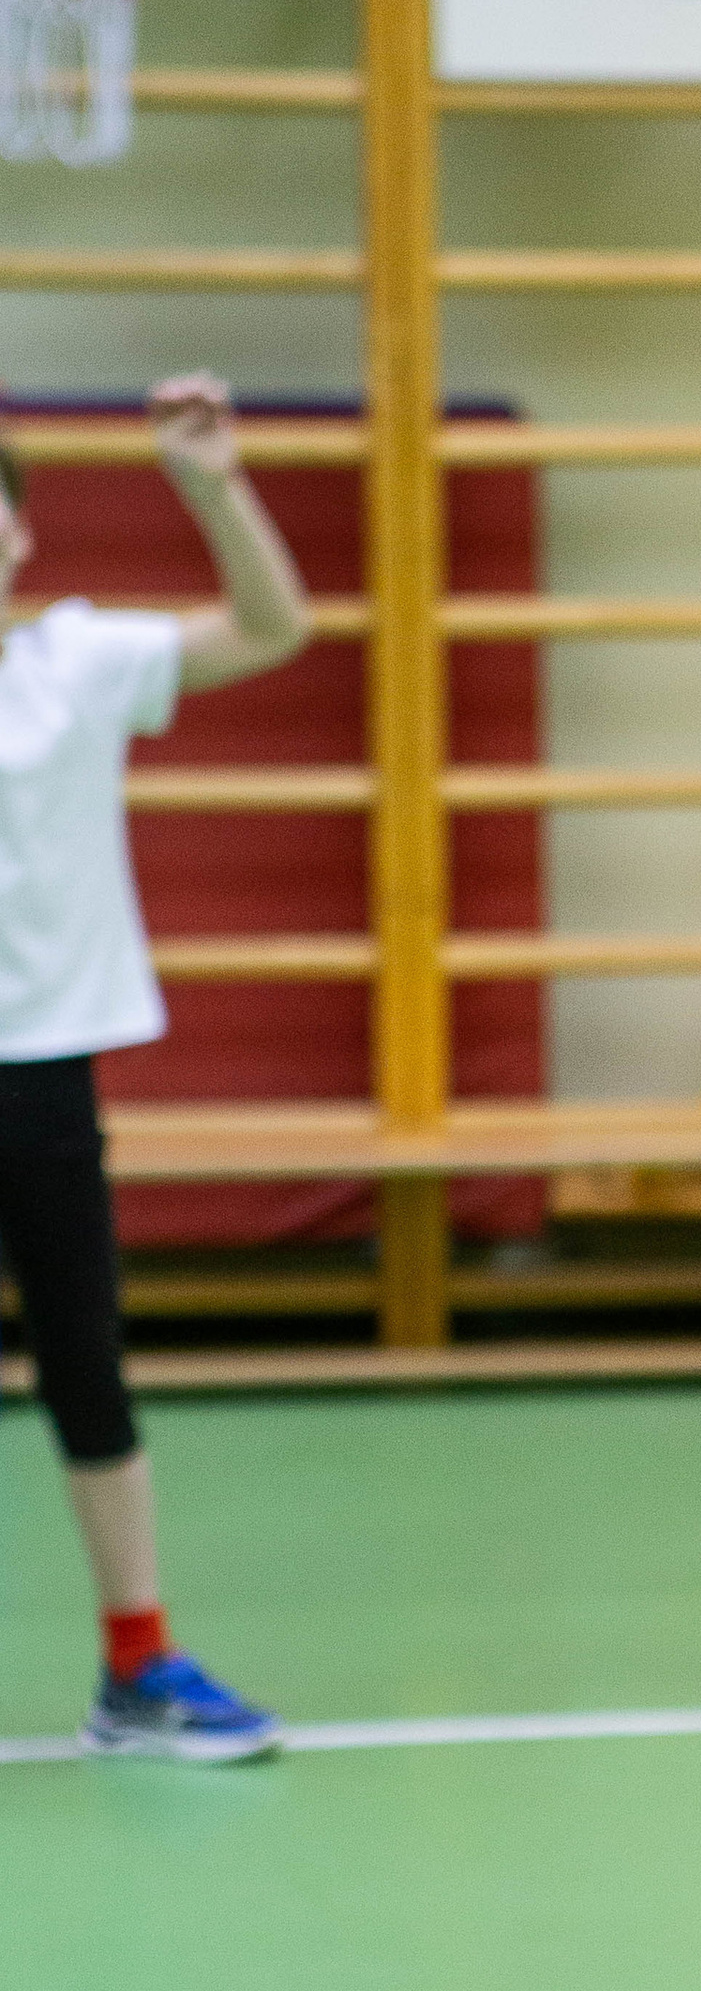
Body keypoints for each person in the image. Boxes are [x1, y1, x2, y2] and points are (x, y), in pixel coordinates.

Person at [0, 375, 310, 1758]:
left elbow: (271, 625)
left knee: (88, 1365)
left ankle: (139, 1666)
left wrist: (208, 479)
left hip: (42, 1068)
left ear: (19, 536)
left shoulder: (73, 661)